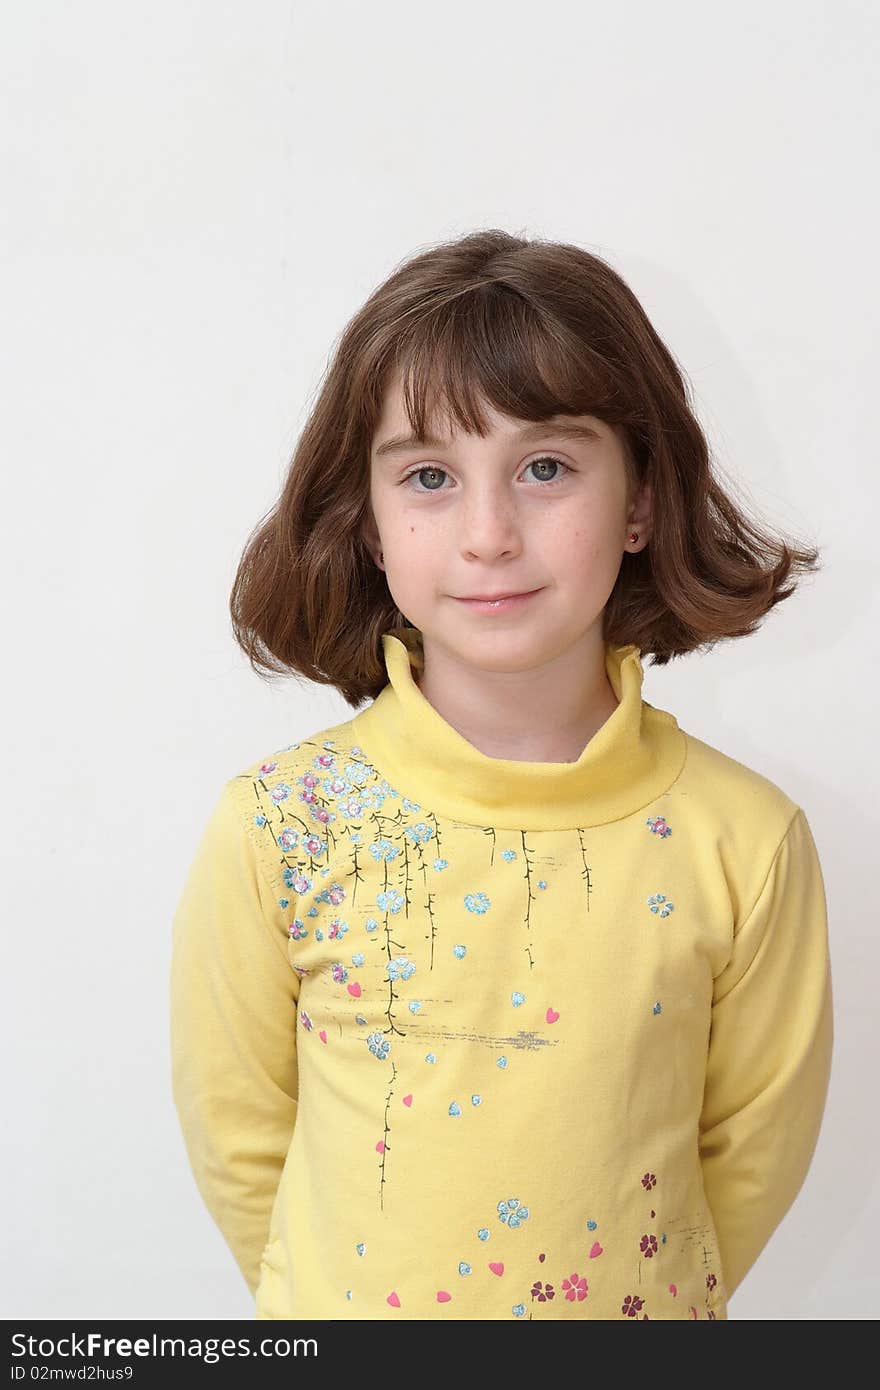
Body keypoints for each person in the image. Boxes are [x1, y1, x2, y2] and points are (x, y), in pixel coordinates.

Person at [169, 229, 834, 1321]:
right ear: (371, 523)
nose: (487, 533)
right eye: (428, 475)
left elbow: (746, 1164)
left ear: (640, 503)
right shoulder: (278, 825)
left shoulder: (744, 841)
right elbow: (242, 1144)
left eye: (544, 468)